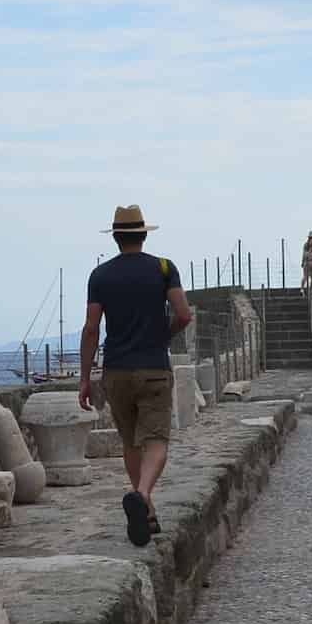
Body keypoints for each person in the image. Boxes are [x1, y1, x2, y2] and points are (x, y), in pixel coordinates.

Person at [79, 203, 193, 547]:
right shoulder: (163, 268)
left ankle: (148, 513)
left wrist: (85, 378)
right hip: (154, 367)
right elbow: (184, 315)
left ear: (115, 237)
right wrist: (163, 335)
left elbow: (90, 329)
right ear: (143, 235)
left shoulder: (100, 276)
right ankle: (142, 495)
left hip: (116, 370)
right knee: (157, 439)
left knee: (131, 442)